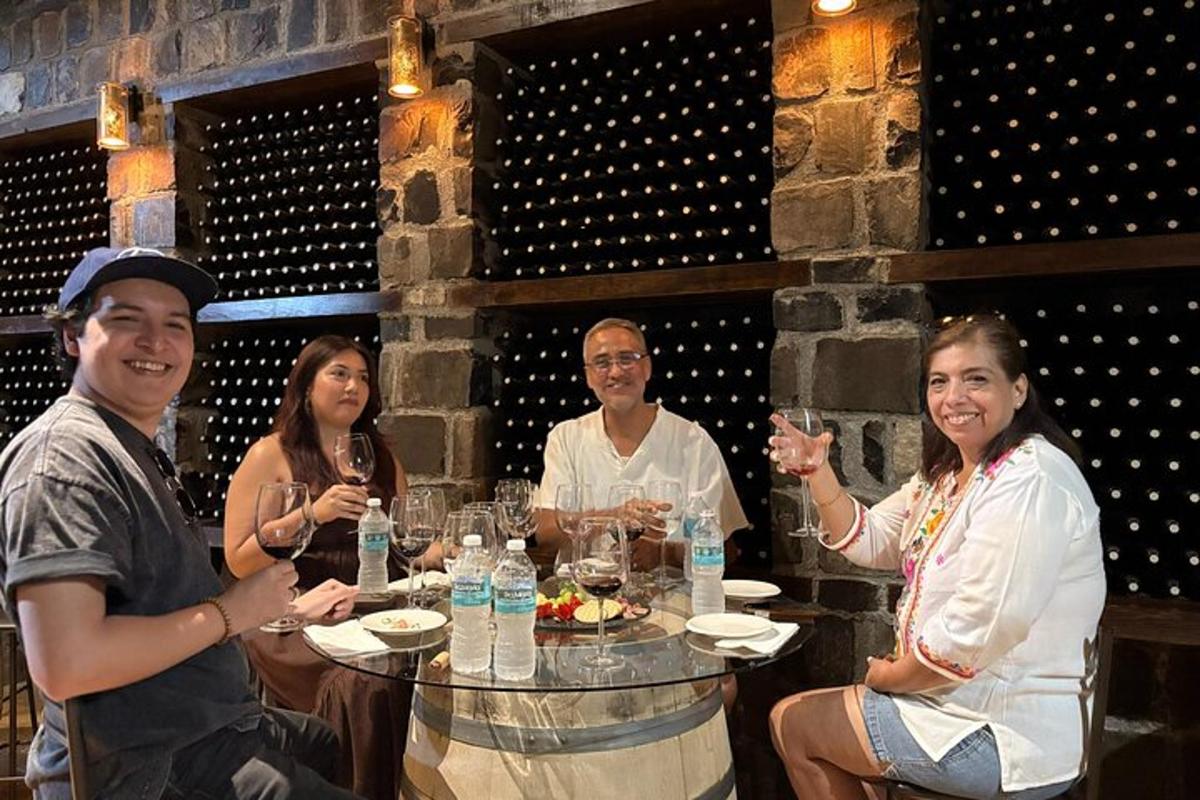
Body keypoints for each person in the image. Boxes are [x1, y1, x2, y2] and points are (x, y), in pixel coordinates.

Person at [0, 247, 361, 799]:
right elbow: (67, 664)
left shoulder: (130, 445)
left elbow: (162, 596)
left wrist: (274, 610)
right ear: (73, 336)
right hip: (150, 762)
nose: (156, 340)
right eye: (126, 319)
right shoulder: (66, 460)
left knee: (329, 740)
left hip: (205, 722)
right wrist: (231, 612)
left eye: (175, 324)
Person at [767, 315, 1105, 800]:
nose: (954, 398)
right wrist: (817, 472)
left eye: (977, 379)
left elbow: (982, 626)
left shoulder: (1029, 479)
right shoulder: (949, 475)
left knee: (794, 723)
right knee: (822, 735)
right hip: (950, 704)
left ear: (1018, 390)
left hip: (1005, 733)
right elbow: (872, 539)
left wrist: (891, 677)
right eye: (939, 382)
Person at [224, 334, 436, 800]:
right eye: (338, 374)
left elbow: (406, 542)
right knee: (367, 682)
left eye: (362, 377)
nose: (353, 387)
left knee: (427, 662)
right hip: (291, 612)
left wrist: (448, 549)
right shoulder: (270, 454)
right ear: (304, 386)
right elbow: (238, 559)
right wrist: (312, 514)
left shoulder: (380, 455)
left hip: (370, 604)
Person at [532, 317, 749, 572]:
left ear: (646, 367)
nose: (615, 372)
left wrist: (664, 554)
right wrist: (612, 517)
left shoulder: (694, 442)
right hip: (584, 600)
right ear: (588, 376)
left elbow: (727, 550)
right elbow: (545, 535)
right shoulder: (566, 438)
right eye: (602, 363)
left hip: (672, 601)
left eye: (627, 358)